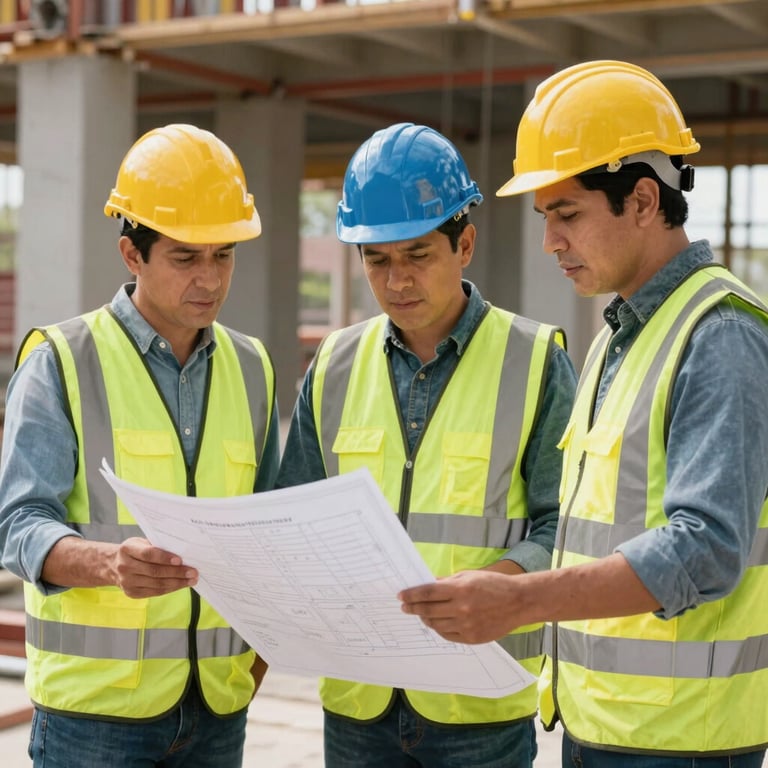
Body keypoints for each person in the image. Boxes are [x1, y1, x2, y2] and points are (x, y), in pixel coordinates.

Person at [399, 61, 768, 767]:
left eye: (566, 215)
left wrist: (521, 601)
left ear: (641, 200)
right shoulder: (617, 337)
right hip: (604, 725)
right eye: (545, 219)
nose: (551, 242)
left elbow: (707, 548)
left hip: (681, 742)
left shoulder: (720, 335)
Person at [277, 122, 578, 768]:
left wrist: (498, 583)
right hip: (359, 704)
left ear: (463, 243)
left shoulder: (534, 361)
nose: (397, 282)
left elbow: (572, 525)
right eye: (377, 261)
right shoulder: (331, 366)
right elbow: (291, 516)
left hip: (478, 706)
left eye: (417, 255)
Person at [0, 124, 280, 767]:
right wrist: (107, 564)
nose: (209, 279)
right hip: (94, 721)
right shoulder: (61, 361)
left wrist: (254, 665)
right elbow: (18, 526)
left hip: (217, 709)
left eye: (224, 255)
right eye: (185, 257)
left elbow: (269, 528)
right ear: (133, 254)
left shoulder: (253, 366)